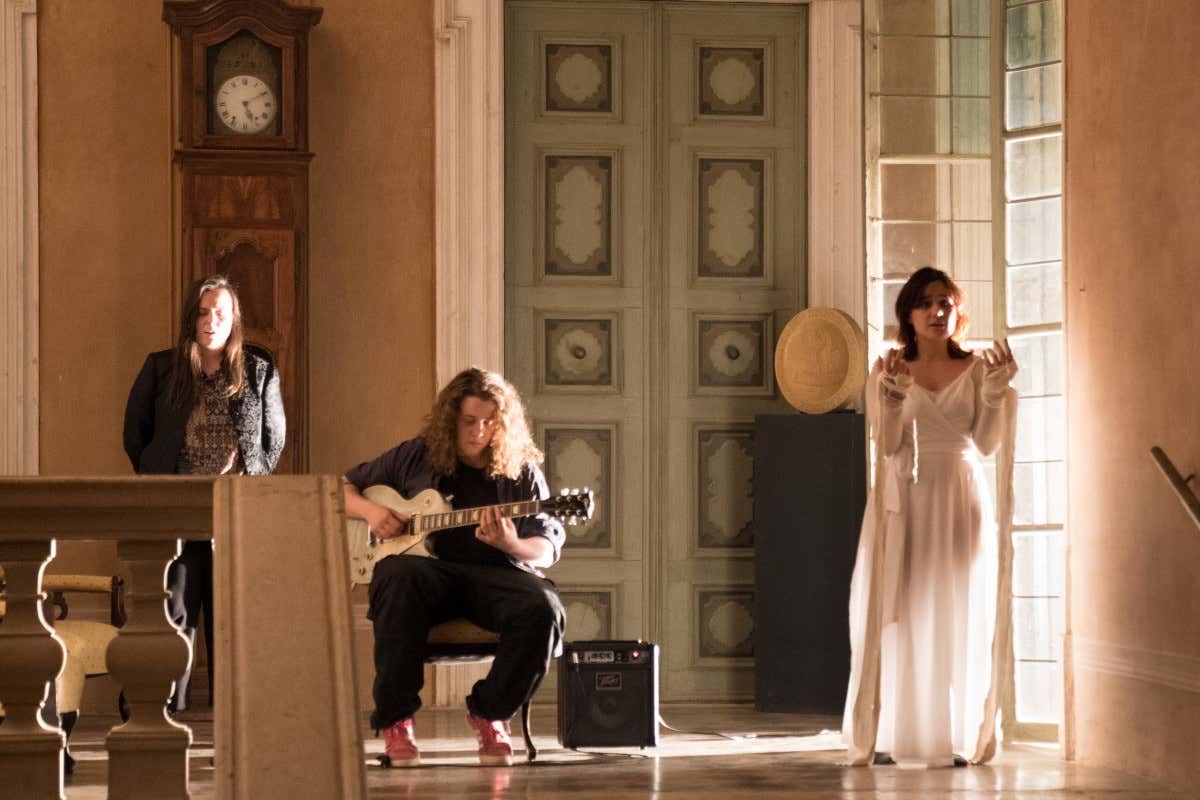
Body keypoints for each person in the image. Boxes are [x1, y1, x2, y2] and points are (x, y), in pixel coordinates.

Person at [343, 367, 566, 768]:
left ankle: (490, 713)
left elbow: (547, 547)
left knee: (544, 607)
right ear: (450, 418)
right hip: (429, 579)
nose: (479, 431)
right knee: (396, 573)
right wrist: (372, 512)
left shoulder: (520, 471)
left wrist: (511, 544)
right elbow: (340, 489)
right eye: (469, 421)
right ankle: (396, 721)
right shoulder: (415, 456)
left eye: (489, 422)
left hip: (497, 578)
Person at [843, 266, 1019, 768]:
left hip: (961, 497)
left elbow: (986, 445)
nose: (938, 311)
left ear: (957, 310)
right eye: (926, 303)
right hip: (908, 500)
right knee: (903, 610)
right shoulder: (887, 368)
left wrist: (995, 395)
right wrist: (892, 398)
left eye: (945, 302)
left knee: (956, 610)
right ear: (909, 314)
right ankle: (893, 733)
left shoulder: (979, 369)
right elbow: (888, 445)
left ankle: (954, 735)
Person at [123, 274, 286, 711]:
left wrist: (251, 481)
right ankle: (163, 709)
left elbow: (273, 441)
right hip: (176, 512)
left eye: (221, 313)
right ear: (190, 318)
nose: (211, 321)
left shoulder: (258, 368)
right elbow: (135, 435)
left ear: (234, 320)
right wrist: (159, 477)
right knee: (174, 608)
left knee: (229, 616)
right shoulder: (161, 368)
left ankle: (231, 714)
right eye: (203, 312)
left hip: (236, 512)